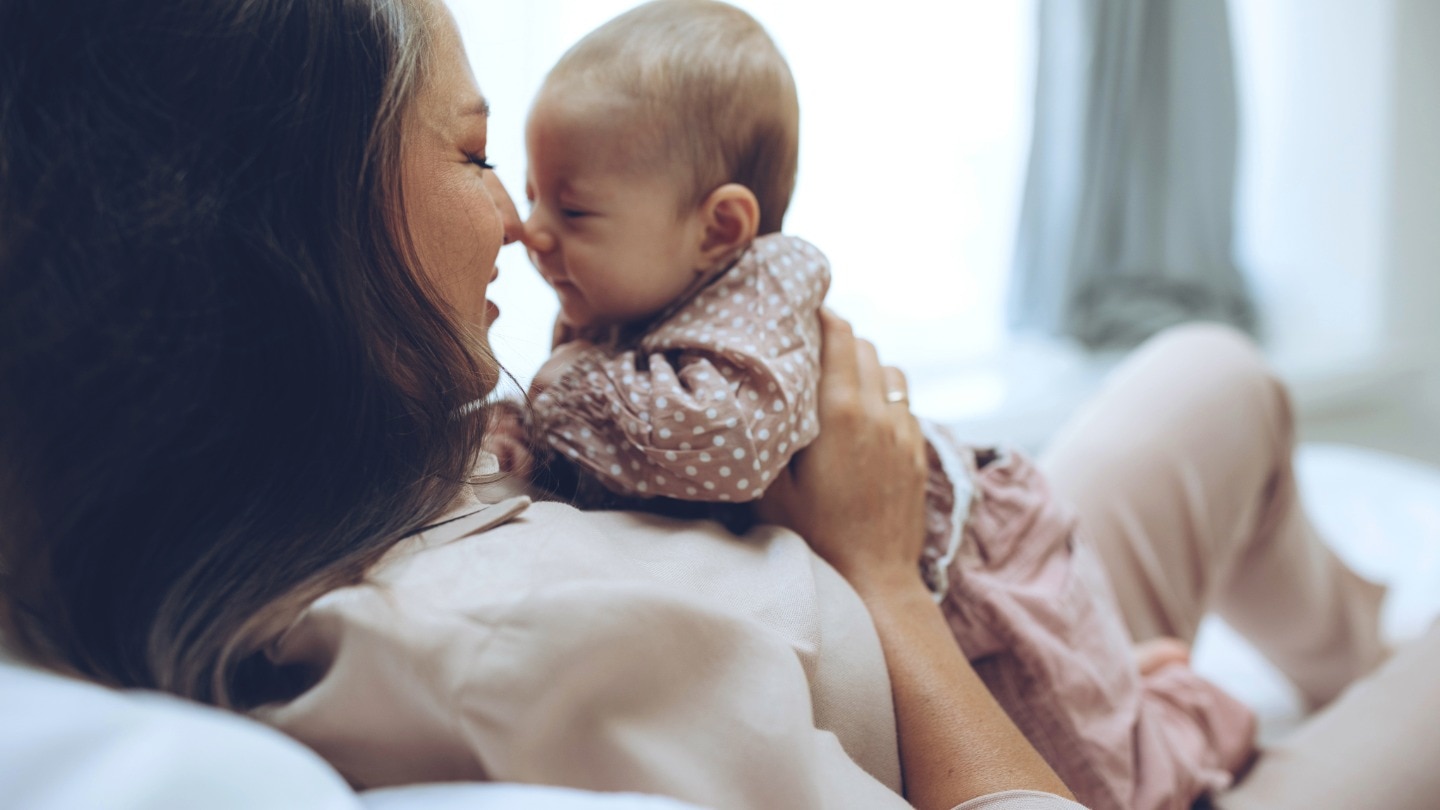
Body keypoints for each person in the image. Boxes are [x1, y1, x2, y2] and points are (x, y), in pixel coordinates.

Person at [1, 2, 1435, 810]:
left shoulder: (351, 455)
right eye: (473, 154)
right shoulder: (496, 658)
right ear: (299, 233)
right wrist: (882, 572)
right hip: (993, 703)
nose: (518, 225)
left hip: (967, 585)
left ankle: (1340, 636)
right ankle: (1283, 727)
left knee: (1212, 371)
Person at [495, 4, 1252, 807]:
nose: (531, 231)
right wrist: (515, 433)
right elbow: (607, 460)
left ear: (720, 228)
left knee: (1109, 780)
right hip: (942, 593)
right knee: (1074, 702)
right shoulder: (611, 306)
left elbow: (729, 443)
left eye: (571, 210)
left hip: (977, 576)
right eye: (533, 192)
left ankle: (1193, 715)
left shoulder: (765, 286)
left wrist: (553, 394)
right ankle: (1123, 677)